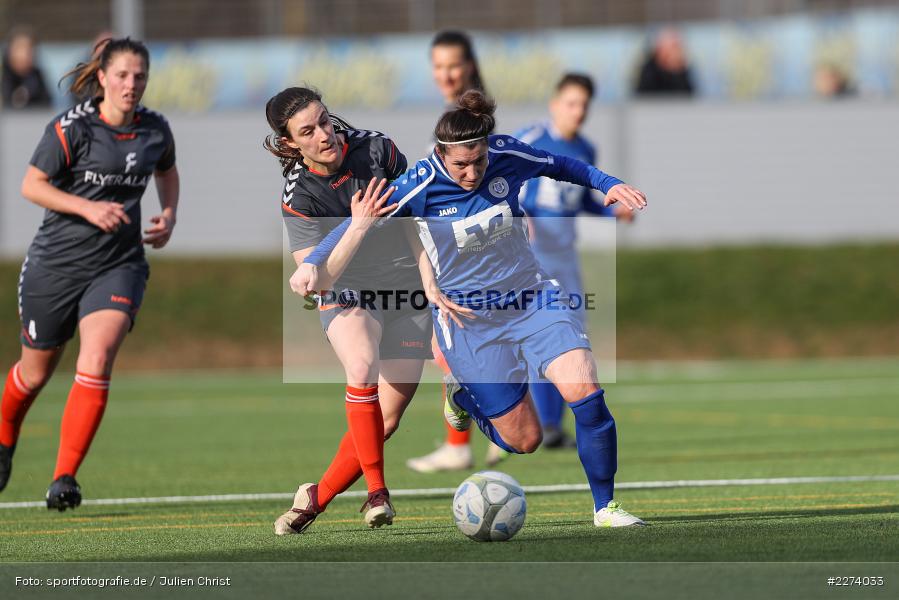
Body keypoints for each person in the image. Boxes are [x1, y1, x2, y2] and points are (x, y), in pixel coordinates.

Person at [300, 91, 648, 527]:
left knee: (586, 391)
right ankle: (461, 395)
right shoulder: (417, 185)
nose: (471, 172)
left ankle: (605, 507)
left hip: (532, 298)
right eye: (461, 165)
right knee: (524, 440)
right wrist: (313, 263)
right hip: (468, 320)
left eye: (478, 161)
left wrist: (607, 183)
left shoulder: (506, 154)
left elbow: (560, 165)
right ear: (441, 154)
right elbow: (357, 223)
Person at [0, 38, 179, 510]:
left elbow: (167, 171)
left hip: (118, 264)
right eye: (122, 75)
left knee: (97, 358)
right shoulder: (72, 127)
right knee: (34, 374)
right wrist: (87, 207)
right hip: (55, 265)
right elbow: (32, 185)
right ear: (102, 78)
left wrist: (169, 214)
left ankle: (64, 478)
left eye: (139, 76)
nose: (131, 84)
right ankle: (4, 440)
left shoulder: (155, 129)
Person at [266, 87, 436, 535]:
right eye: (308, 131)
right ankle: (377, 492)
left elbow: (415, 222)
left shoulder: (377, 150)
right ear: (289, 143)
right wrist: (359, 227)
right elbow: (318, 278)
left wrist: (429, 281)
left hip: (406, 290)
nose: (324, 134)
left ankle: (315, 499)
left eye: (324, 120)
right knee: (361, 366)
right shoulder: (299, 196)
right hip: (348, 289)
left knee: (387, 420)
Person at [516, 73, 634, 449]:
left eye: (584, 104)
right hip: (531, 256)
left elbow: (581, 200)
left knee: (571, 338)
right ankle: (539, 422)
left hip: (565, 256)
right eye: (571, 103)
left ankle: (553, 426)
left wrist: (612, 212)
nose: (578, 111)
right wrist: (518, 214)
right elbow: (500, 182)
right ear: (555, 104)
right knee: (541, 335)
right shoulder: (531, 139)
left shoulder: (585, 149)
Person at [406, 29, 503, 474]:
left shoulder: (474, 127)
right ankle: (471, 436)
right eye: (438, 66)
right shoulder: (451, 120)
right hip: (452, 255)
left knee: (455, 345)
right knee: (451, 348)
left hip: (476, 257)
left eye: (453, 65)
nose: (446, 74)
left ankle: (479, 433)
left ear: (470, 66)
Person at [634, 27, 694, 97]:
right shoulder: (649, 69)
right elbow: (644, 95)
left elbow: (688, 95)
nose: (675, 51)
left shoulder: (683, 68)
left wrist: (677, 72)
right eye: (673, 46)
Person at [1, 27, 51, 109]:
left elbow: (47, 105)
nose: (23, 55)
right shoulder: (3, 77)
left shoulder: (36, 76)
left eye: (28, 50)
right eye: (19, 49)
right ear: (9, 51)